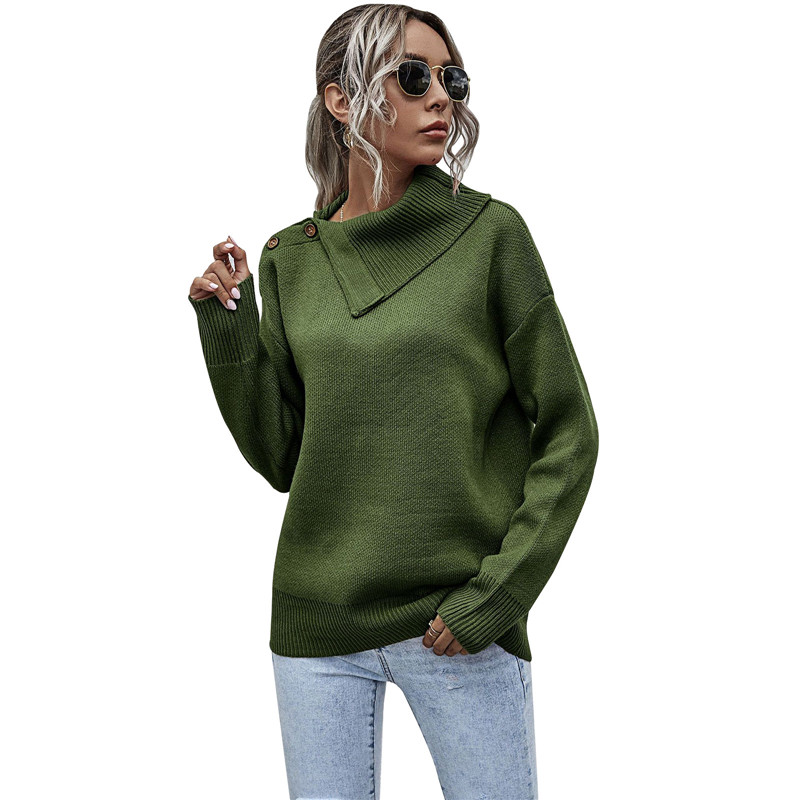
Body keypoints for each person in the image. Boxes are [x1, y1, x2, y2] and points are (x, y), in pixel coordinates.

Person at [187, 5, 599, 799]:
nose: (441, 96)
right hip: (317, 627)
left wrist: (499, 595)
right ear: (341, 99)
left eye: (451, 79)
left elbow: (570, 432)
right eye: (413, 77)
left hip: (458, 623)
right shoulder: (288, 259)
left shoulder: (490, 235)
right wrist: (228, 325)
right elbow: (283, 456)